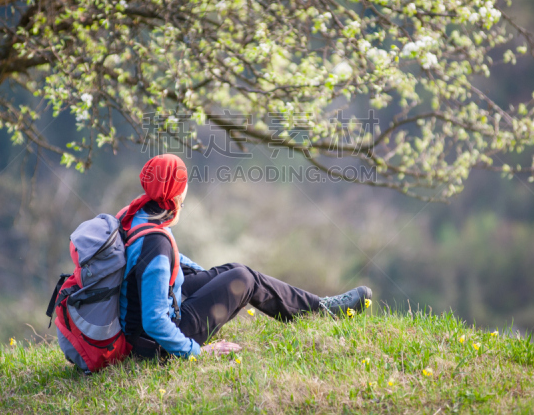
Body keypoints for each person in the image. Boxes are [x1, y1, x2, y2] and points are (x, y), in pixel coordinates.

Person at [117, 154, 372, 359]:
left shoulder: (135, 215)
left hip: (137, 328)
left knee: (234, 270)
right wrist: (197, 352)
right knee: (242, 279)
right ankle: (321, 310)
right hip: (152, 346)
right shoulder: (156, 244)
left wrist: (213, 282)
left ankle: (319, 307)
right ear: (175, 194)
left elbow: (172, 262)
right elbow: (153, 320)